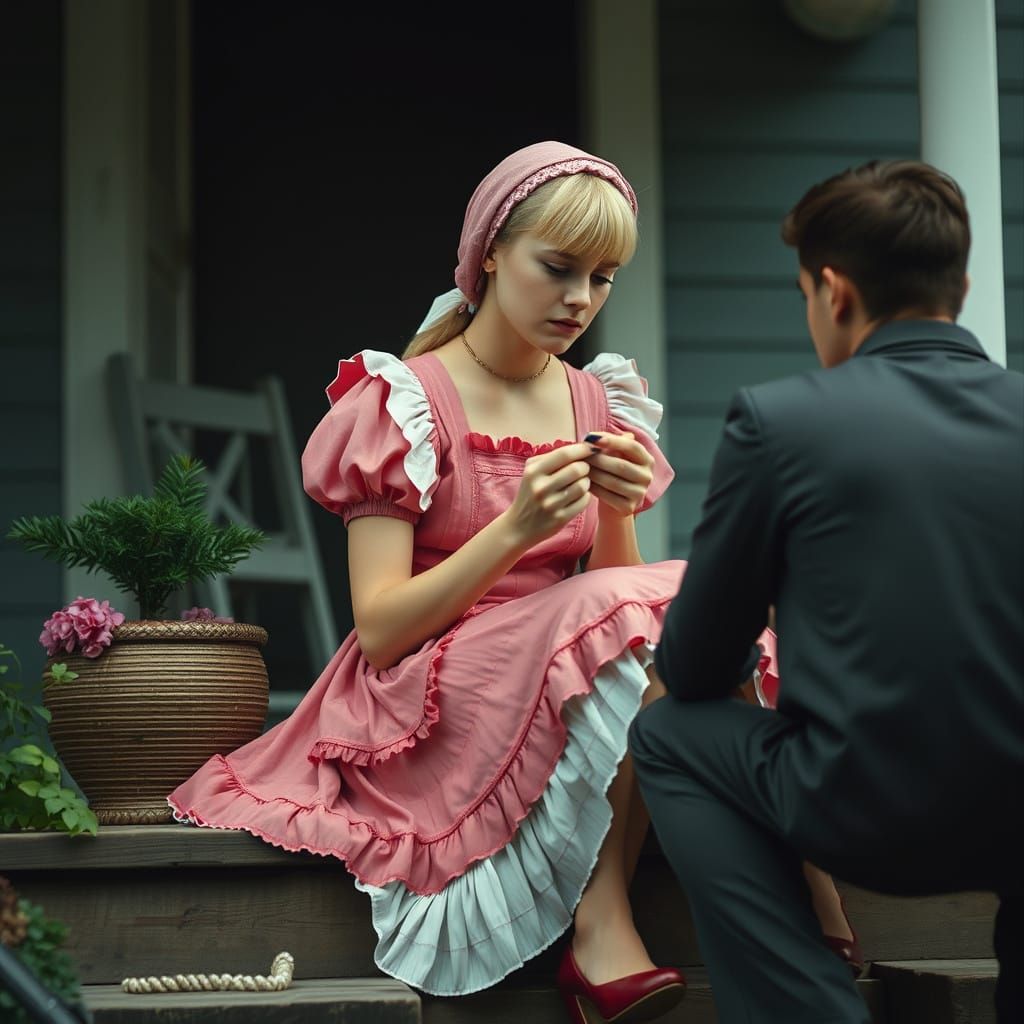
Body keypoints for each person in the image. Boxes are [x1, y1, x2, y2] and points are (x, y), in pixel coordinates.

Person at [169, 141, 843, 1023]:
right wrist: (515, 529)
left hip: (559, 669)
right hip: (426, 692)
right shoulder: (404, 400)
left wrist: (614, 511)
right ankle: (608, 922)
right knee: (662, 597)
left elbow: (626, 612)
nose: (580, 299)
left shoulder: (598, 399)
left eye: (603, 278)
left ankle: (787, 869)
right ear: (489, 252)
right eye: (558, 269)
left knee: (689, 598)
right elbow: (381, 630)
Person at [629, 159, 1024, 1024]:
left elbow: (696, 667)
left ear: (834, 292)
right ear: (959, 288)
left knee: (670, 733)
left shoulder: (782, 423)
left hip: (861, 811)